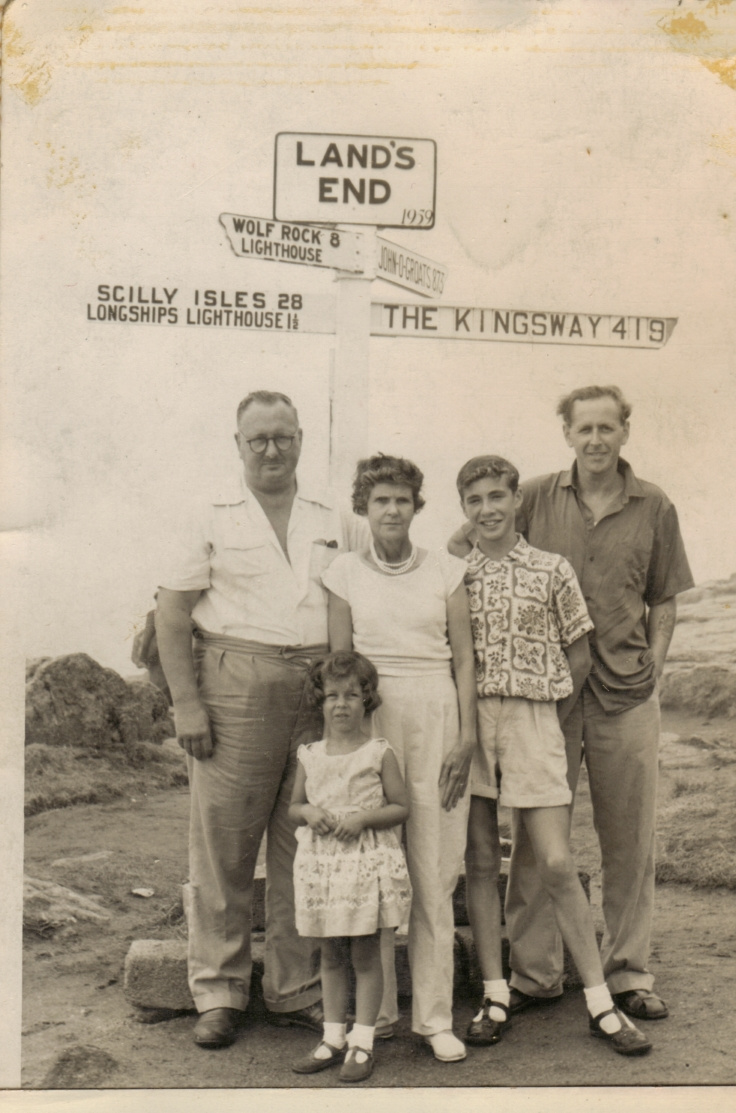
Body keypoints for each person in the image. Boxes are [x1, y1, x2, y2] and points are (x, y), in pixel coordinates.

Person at [450, 385, 693, 1022]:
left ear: (623, 433)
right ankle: (535, 975)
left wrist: (656, 669)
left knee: (628, 840)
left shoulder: (654, 504)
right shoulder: (529, 493)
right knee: (535, 842)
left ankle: (629, 973)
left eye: (606, 428)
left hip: (624, 695)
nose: (595, 440)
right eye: (583, 428)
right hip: (543, 703)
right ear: (566, 433)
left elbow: (664, 598)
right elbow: (463, 543)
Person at [154, 389, 368, 1049]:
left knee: (301, 839)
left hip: (317, 682)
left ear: (301, 437)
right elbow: (171, 611)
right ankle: (218, 990)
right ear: (238, 444)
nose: (272, 449)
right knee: (224, 843)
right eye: (258, 440)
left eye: (283, 436)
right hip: (234, 685)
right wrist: (187, 702)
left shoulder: (335, 513)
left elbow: (354, 598)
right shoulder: (210, 513)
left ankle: (293, 987)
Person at [456, 455, 651, 1056]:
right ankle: (495, 993)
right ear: (463, 509)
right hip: (474, 722)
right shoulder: (454, 575)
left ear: (518, 499)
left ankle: (599, 1003)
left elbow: (580, 654)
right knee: (483, 862)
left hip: (536, 720)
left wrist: (552, 721)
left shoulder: (551, 568)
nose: (488, 509)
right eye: (475, 500)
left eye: (497, 496)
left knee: (557, 863)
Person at [321, 454, 477, 1063]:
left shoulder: (446, 568)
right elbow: (341, 667)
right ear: (364, 507)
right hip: (373, 721)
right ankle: (376, 1015)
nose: (392, 510)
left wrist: (466, 737)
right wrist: (351, 748)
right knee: (373, 868)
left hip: (438, 717)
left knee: (435, 870)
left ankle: (435, 1017)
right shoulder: (342, 572)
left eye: (402, 500)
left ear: (417, 506)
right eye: (381, 500)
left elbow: (464, 659)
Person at [288, 651, 411, 1083]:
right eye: (332, 696)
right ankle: (332, 1037)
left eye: (352, 695)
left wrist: (361, 819)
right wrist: (309, 814)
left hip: (364, 864)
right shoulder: (311, 755)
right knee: (331, 953)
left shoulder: (377, 753)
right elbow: (294, 805)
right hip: (324, 867)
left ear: (368, 701)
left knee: (364, 953)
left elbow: (400, 807)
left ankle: (363, 1041)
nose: (341, 705)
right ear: (320, 702)